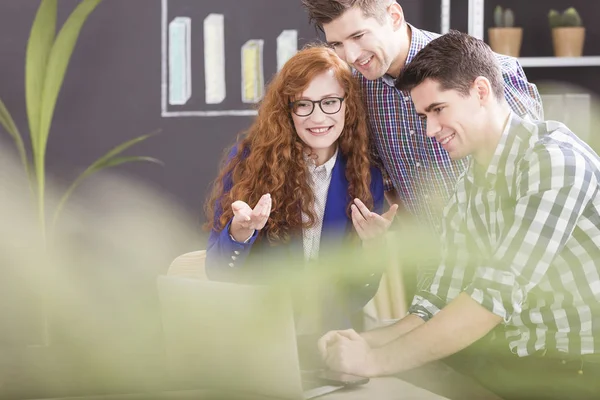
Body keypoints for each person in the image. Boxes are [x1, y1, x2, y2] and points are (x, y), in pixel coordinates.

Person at [318, 31, 600, 400]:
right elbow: (436, 299)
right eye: (424, 115)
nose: (430, 130)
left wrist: (373, 360)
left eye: (438, 110)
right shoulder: (471, 180)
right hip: (518, 358)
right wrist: (359, 342)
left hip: (577, 368)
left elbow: (495, 294)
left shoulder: (554, 163)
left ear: (481, 91)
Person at [301, 0, 544, 296]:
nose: (351, 56)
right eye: (337, 43)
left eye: (359, 36)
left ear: (393, 16)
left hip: (513, 271)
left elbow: (537, 171)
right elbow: (385, 177)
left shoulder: (487, 72)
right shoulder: (356, 92)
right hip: (436, 276)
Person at [204, 45, 397, 335]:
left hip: (329, 340)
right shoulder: (249, 163)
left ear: (348, 105)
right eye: (303, 104)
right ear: (287, 110)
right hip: (259, 338)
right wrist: (240, 233)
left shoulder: (366, 177)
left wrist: (372, 249)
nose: (317, 118)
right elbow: (216, 272)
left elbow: (357, 296)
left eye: (330, 102)